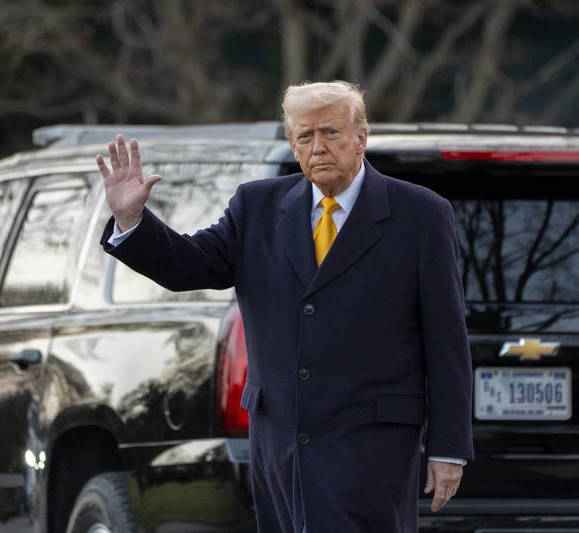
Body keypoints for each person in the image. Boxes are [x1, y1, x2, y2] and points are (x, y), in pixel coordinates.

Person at [97, 81, 474, 533]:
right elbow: (189, 267)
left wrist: (448, 448)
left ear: (361, 138)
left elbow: (446, 340)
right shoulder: (256, 206)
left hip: (372, 446)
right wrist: (131, 221)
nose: (318, 147)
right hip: (280, 444)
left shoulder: (421, 214)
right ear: (293, 145)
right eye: (304, 136)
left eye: (331, 133)